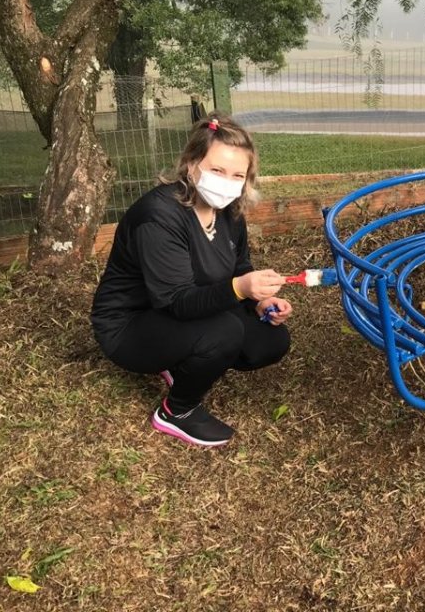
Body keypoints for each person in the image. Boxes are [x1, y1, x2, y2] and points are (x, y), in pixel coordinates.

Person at [91, 114, 292, 447]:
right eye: (217, 170)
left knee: (269, 341)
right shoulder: (158, 217)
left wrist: (259, 301)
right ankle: (176, 411)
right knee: (224, 332)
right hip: (131, 325)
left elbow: (239, 266)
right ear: (190, 164)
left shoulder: (229, 211)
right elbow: (176, 301)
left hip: (187, 308)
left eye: (237, 175)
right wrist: (240, 289)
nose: (227, 182)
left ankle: (180, 360)